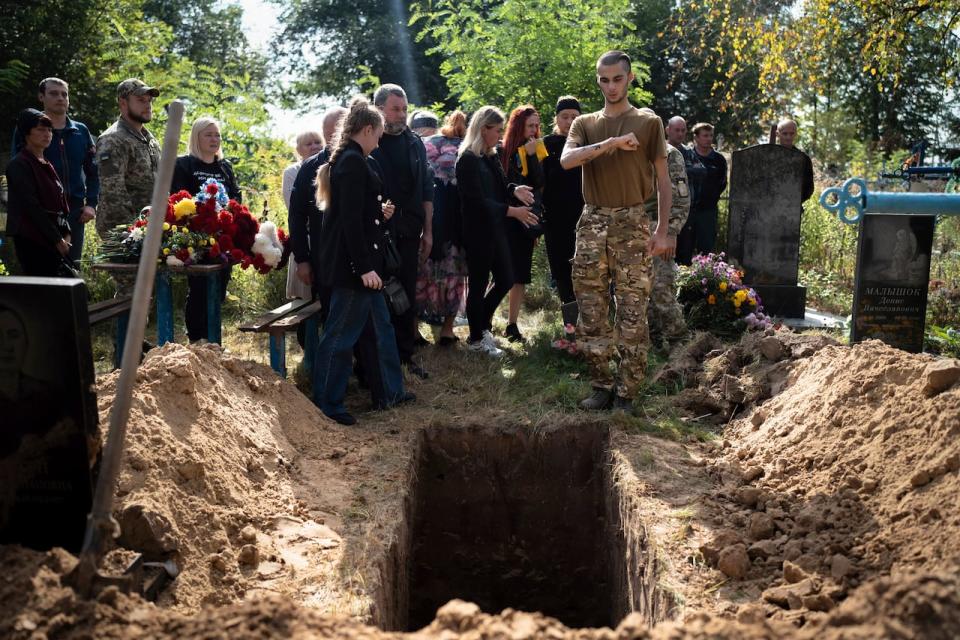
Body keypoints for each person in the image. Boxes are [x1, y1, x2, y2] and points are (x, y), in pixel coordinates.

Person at [560, 50, 672, 412]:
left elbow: (664, 181)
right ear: (598, 80)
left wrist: (662, 230)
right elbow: (567, 160)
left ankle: (627, 393)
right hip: (592, 221)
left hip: (632, 223)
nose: (611, 86)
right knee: (591, 308)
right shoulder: (585, 124)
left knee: (632, 309)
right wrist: (610, 144)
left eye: (617, 79)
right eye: (604, 79)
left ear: (630, 78)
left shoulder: (648, 122)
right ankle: (601, 386)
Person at [312, 97, 413, 425]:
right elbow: (350, 223)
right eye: (379, 134)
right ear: (367, 130)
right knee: (341, 335)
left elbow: (358, 214)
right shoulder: (352, 162)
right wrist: (363, 267)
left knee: (382, 329)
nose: (380, 140)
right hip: (355, 268)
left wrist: (378, 214)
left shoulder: (353, 160)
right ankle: (327, 404)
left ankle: (389, 392)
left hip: (365, 264)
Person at [456, 106, 537, 357]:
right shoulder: (467, 159)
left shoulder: (490, 155)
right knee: (478, 284)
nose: (500, 136)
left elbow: (501, 185)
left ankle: (481, 325)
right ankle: (476, 338)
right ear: (483, 129)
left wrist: (515, 190)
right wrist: (513, 212)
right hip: (477, 232)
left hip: (497, 229)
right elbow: (476, 202)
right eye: (497, 130)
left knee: (506, 278)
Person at [369, 84, 434, 379]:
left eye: (405, 109)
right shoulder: (369, 141)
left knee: (405, 295)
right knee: (377, 296)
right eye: (396, 108)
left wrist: (428, 232)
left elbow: (426, 189)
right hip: (374, 235)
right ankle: (374, 362)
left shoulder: (414, 142)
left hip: (409, 232)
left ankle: (405, 356)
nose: (402, 114)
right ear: (380, 109)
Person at [9, 78, 99, 264]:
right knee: (41, 273)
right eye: (53, 93)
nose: (60, 98)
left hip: (75, 212)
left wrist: (91, 203)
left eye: (64, 94)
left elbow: (93, 171)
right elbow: (19, 173)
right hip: (39, 214)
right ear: (41, 96)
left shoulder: (80, 131)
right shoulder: (28, 130)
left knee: (72, 269)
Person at [169, 116, 241, 343]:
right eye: (208, 134)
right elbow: (177, 199)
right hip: (196, 238)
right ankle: (197, 340)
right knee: (199, 290)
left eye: (217, 134)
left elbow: (236, 197)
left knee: (219, 288)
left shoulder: (225, 166)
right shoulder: (183, 164)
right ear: (196, 137)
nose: (214, 139)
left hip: (224, 238)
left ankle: (213, 341)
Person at [418, 110, 468, 346]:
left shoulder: (424, 146)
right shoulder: (466, 146)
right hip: (457, 220)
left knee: (422, 274)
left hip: (429, 216)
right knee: (454, 275)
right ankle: (447, 331)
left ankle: (414, 330)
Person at [288, 106, 348, 297]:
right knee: (331, 315)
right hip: (324, 259)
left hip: (360, 259)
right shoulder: (310, 167)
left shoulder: (368, 160)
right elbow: (296, 216)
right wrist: (302, 259)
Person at [5, 110, 73, 277]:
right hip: (33, 239)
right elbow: (32, 206)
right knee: (43, 294)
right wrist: (57, 239)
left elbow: (59, 202)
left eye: (49, 130)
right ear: (26, 133)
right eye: (41, 129)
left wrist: (66, 233)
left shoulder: (45, 163)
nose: (47, 134)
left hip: (54, 238)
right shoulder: (19, 164)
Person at [499, 105, 547, 344]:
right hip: (505, 218)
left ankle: (512, 323)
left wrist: (530, 155)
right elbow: (503, 184)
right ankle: (485, 317)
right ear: (518, 126)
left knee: (520, 275)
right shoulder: (501, 150)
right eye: (530, 125)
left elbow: (539, 183)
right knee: (501, 272)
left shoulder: (537, 148)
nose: (534, 130)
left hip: (527, 220)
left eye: (537, 125)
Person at [542, 96, 584, 349]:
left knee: (587, 275)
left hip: (585, 221)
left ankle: (593, 330)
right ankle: (571, 333)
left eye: (574, 116)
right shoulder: (545, 145)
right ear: (556, 118)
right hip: (555, 223)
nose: (569, 121)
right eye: (564, 116)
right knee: (562, 276)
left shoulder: (588, 144)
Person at [95, 78, 161, 238]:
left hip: (149, 228)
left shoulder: (150, 139)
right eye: (140, 100)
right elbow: (113, 193)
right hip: (124, 233)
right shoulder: (113, 139)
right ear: (123, 103)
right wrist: (131, 233)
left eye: (149, 100)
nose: (148, 105)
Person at [645, 139, 691, 346]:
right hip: (632, 227)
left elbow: (680, 196)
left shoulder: (669, 153)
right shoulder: (630, 148)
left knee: (662, 288)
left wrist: (670, 232)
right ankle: (653, 339)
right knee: (639, 291)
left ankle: (680, 342)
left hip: (658, 227)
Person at [676, 122, 727, 265]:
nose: (709, 139)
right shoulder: (686, 156)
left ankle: (706, 281)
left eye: (711, 135)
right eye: (705, 135)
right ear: (696, 138)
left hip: (708, 211)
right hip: (687, 210)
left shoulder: (718, 159)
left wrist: (710, 197)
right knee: (684, 249)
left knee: (707, 250)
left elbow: (722, 183)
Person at [282, 129, 324, 301]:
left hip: (324, 239)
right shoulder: (293, 172)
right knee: (305, 298)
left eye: (317, 142)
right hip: (304, 237)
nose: (314, 147)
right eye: (308, 144)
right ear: (299, 150)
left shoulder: (329, 166)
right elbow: (294, 209)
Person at [775, 118, 815, 203]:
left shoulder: (803, 159)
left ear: (796, 134)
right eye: (785, 134)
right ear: (777, 134)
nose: (788, 137)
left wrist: (794, 201)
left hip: (793, 208)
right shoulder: (768, 156)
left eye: (791, 134)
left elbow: (809, 187)